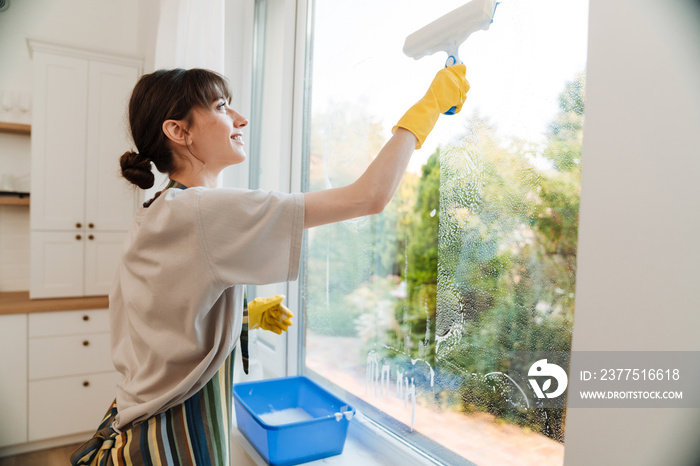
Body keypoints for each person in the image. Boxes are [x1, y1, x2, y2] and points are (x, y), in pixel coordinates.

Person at [70, 64, 468, 465]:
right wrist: (427, 108)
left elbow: (157, 314)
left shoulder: (162, 207)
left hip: (137, 420)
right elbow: (369, 197)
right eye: (223, 107)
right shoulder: (198, 210)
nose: (240, 119)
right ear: (179, 131)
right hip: (169, 439)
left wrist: (244, 316)